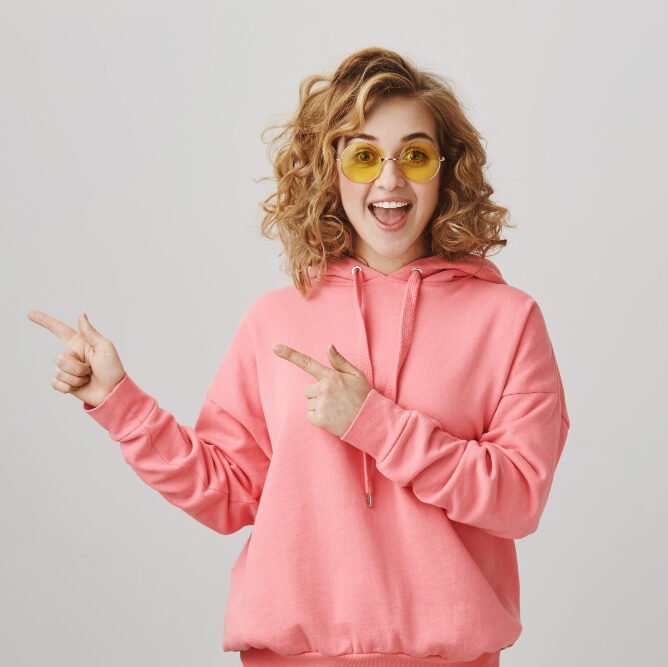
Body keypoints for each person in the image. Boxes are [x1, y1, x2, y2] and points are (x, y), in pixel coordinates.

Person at [28, 47, 570, 667]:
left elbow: (518, 498)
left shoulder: (508, 319)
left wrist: (375, 423)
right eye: (363, 156)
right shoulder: (276, 318)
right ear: (328, 170)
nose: (389, 181)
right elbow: (230, 494)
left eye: (415, 156)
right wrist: (119, 403)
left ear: (446, 171)